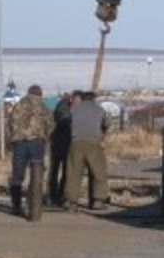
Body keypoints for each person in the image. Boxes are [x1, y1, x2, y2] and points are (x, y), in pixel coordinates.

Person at [6, 84, 54, 217]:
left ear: (28, 93)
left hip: (20, 142)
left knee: (17, 175)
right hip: (37, 142)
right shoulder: (44, 108)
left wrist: (14, 137)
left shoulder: (18, 106)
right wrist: (45, 137)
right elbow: (50, 126)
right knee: (36, 173)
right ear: (40, 94)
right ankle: (32, 205)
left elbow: (9, 123)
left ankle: (16, 206)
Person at [62, 90, 111, 211]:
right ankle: (98, 201)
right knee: (98, 172)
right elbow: (107, 123)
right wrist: (101, 132)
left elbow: (68, 124)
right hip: (94, 143)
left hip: (76, 143)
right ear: (94, 98)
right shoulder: (99, 109)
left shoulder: (74, 109)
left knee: (73, 173)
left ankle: (71, 202)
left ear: (83, 99)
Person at [48, 92, 73, 205]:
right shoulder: (64, 109)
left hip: (57, 143)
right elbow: (66, 122)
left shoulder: (60, 107)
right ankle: (58, 195)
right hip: (63, 143)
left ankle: (54, 194)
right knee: (62, 170)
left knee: (55, 171)